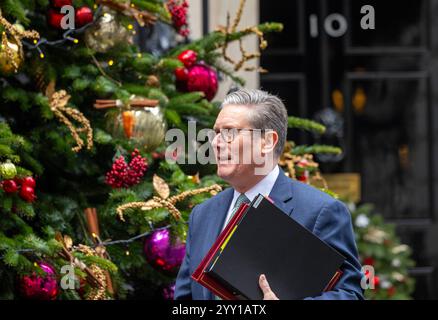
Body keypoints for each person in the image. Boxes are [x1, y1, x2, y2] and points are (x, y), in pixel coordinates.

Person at [174, 89, 364, 300]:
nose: (216, 143)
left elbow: (350, 295)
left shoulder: (321, 212)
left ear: (266, 142)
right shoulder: (203, 214)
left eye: (228, 133)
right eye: (215, 133)